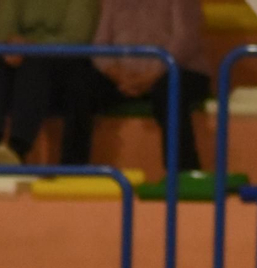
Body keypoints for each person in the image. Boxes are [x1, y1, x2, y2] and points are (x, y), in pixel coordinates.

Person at [62, 0, 210, 170]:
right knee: (80, 87)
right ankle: (72, 170)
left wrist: (150, 76)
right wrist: (117, 73)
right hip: (124, 75)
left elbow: (185, 41)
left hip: (178, 70)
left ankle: (182, 174)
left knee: (169, 91)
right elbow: (100, 43)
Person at [0, 0, 100, 166]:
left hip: (63, 65)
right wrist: (10, 46)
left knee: (35, 62)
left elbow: (76, 37)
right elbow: (2, 31)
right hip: (22, 57)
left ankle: (17, 149)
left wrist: (31, 46)